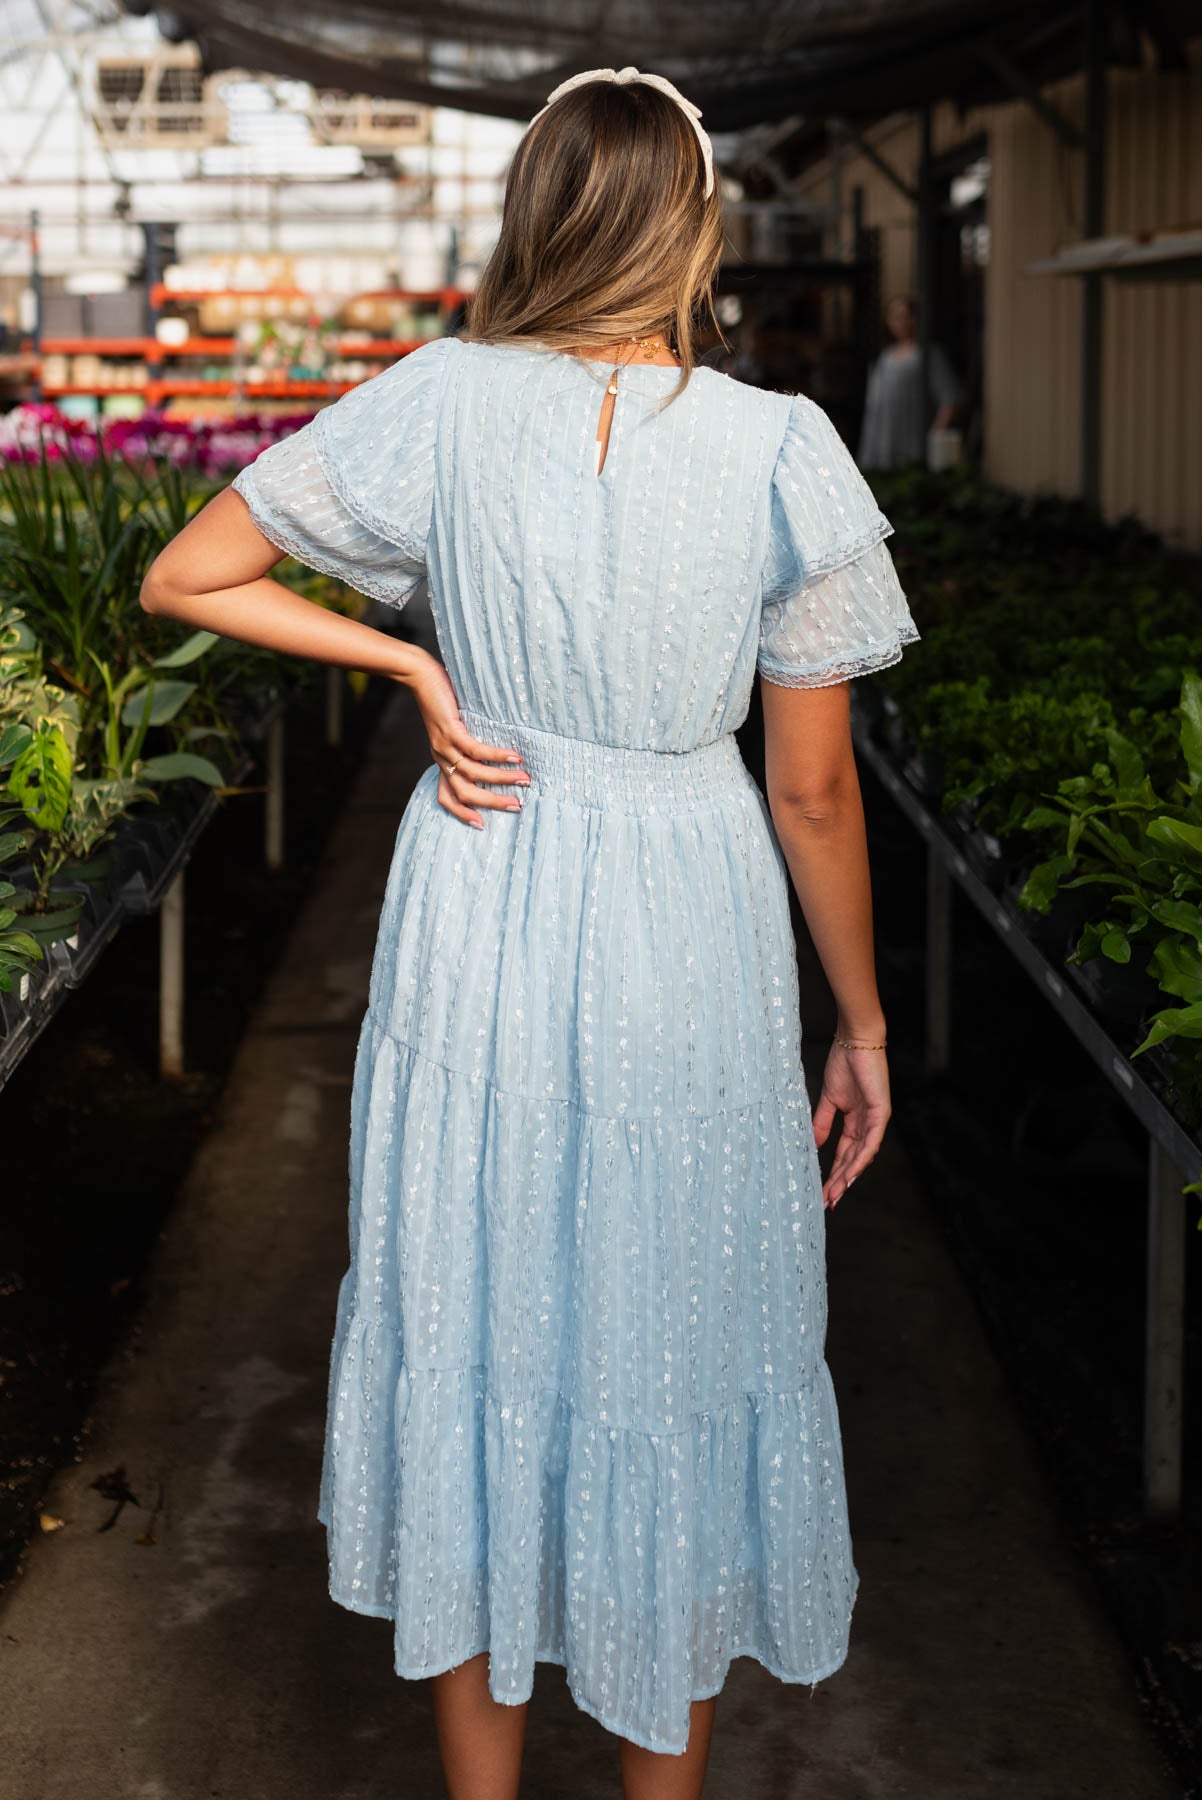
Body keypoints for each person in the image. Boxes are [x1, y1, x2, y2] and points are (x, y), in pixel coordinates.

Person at [140, 64, 920, 1800]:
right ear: (696, 228)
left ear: (537, 216)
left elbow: (189, 573)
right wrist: (859, 1027)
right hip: (688, 919)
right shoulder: (774, 446)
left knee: (481, 1311)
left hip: (484, 878)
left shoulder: (436, 402)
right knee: (677, 1333)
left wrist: (416, 664)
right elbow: (810, 796)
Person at [858, 291, 963, 468]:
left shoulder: (926, 355)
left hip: (913, 440)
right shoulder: (885, 358)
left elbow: (949, 398)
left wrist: (935, 435)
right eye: (895, 317)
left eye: (905, 316)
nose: (901, 322)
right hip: (882, 442)